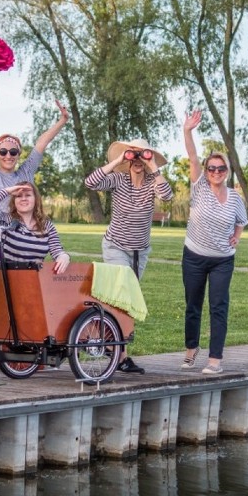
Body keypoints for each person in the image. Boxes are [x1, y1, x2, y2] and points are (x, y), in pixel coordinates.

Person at [84, 138, 173, 374]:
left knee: (127, 301)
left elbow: (167, 196)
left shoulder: (153, 181)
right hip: (116, 247)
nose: (137, 161)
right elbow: (91, 182)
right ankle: (115, 350)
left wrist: (153, 166)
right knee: (119, 296)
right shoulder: (118, 179)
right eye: (132, 155)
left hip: (140, 251)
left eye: (142, 156)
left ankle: (116, 350)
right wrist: (117, 160)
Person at [180, 110, 248, 375]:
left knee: (219, 307)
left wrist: (237, 237)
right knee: (192, 306)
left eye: (221, 168)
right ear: (206, 172)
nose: (216, 172)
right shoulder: (198, 188)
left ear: (227, 172)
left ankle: (215, 360)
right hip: (194, 256)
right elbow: (193, 157)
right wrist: (188, 131)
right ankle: (190, 350)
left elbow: (241, 221)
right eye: (212, 168)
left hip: (222, 260)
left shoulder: (234, 198)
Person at [0, 97, 68, 208]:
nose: (8, 156)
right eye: (3, 152)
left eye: (13, 152)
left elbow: (41, 143)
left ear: (18, 155)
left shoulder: (25, 173)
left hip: (23, 225)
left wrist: (62, 120)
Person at [0, 182, 71, 273]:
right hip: (9, 280)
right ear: (14, 201)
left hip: (35, 280)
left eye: (28, 195)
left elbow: (57, 251)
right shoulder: (6, 220)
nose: (23, 199)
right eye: (18, 196)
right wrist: (7, 191)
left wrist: (64, 256)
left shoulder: (47, 225)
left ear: (36, 199)